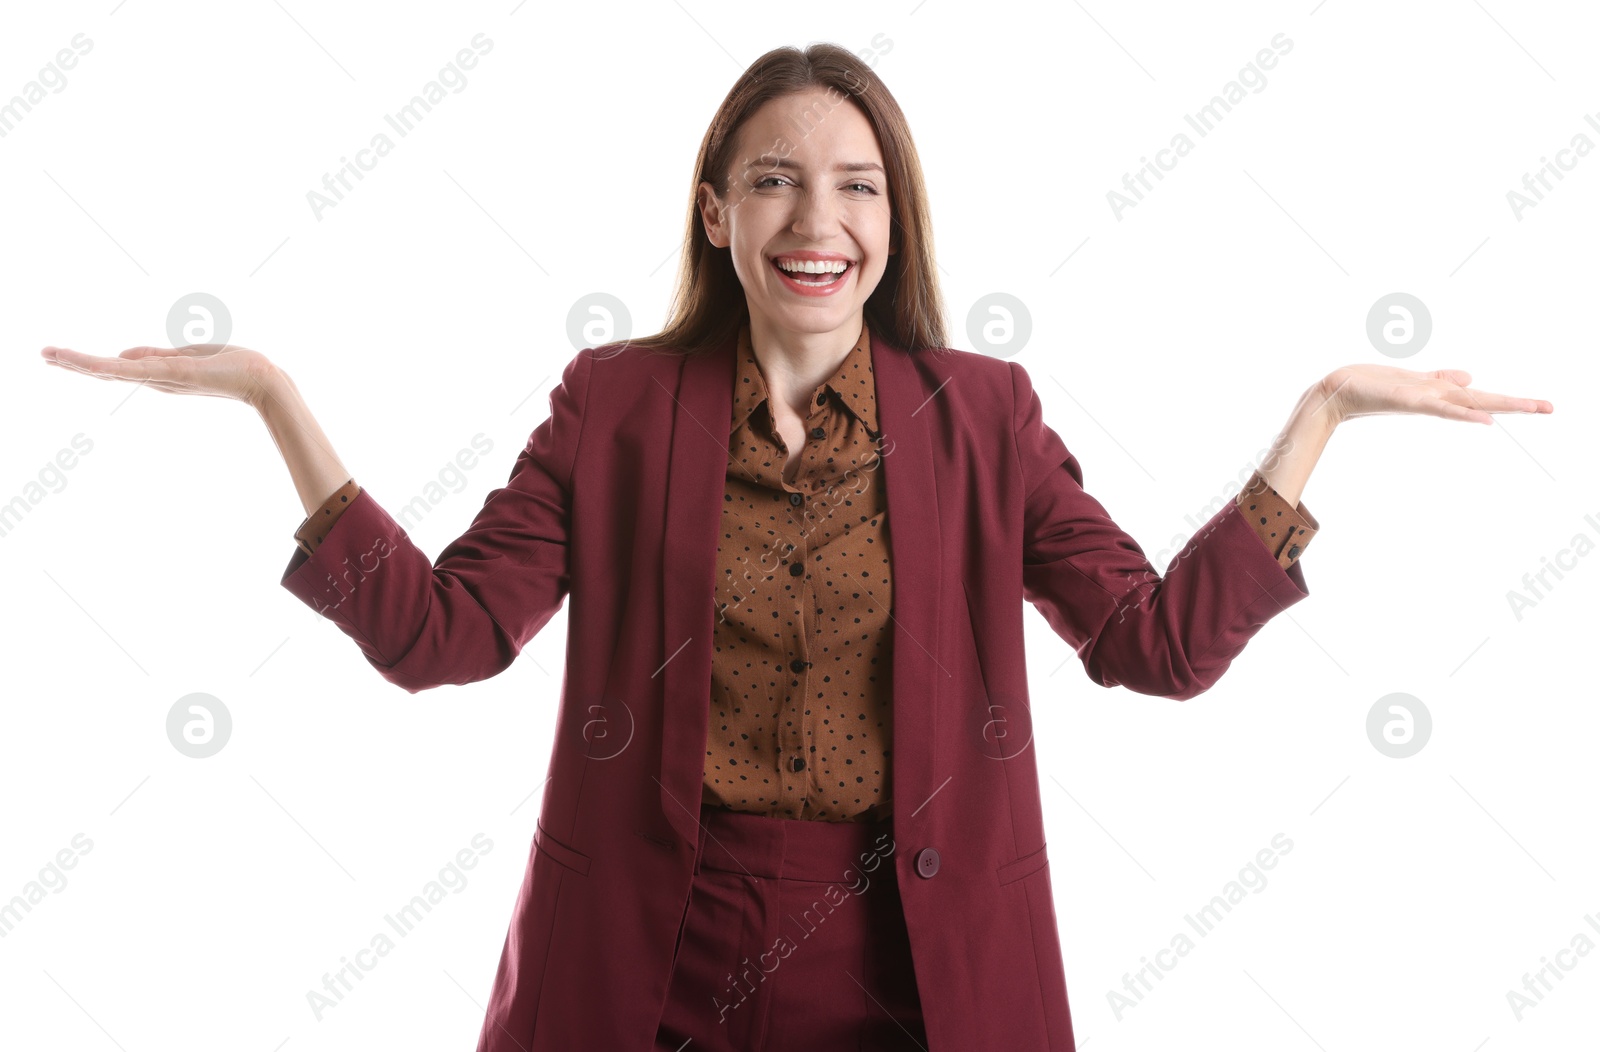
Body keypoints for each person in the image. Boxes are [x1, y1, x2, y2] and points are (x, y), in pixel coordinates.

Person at [40, 41, 1552, 1052]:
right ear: (715, 212)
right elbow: (446, 637)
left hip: (917, 966)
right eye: (773, 178)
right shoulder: (615, 404)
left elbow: (1152, 649)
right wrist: (275, 405)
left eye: (855, 184)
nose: (813, 217)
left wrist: (1324, 416)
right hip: (651, 965)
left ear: (894, 221)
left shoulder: (983, 414)